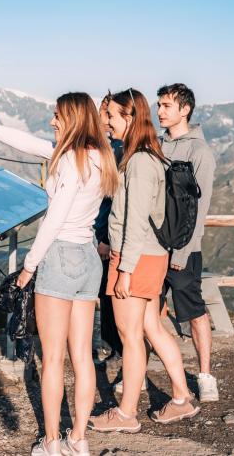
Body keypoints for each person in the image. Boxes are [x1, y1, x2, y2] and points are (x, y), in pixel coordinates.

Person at [0, 93, 118, 456]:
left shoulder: (69, 162)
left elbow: (54, 220)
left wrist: (28, 267)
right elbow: (27, 144)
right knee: (82, 356)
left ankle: (52, 442)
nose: (52, 122)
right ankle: (79, 440)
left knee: (52, 358)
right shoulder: (100, 156)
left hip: (60, 257)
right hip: (88, 257)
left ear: (71, 118)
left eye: (56, 116)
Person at [88, 88, 199, 434]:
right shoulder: (150, 156)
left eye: (111, 116)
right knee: (151, 327)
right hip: (152, 256)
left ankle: (126, 413)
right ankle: (181, 398)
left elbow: (134, 221)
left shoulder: (137, 162)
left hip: (134, 258)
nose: (105, 122)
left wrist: (124, 270)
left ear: (130, 118)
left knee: (130, 335)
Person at [156, 83, 218, 402]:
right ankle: (135, 371)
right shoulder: (156, 146)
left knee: (194, 312)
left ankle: (206, 376)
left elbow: (200, 207)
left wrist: (182, 251)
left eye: (167, 106)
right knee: (147, 311)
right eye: (159, 105)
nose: (160, 111)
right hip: (154, 248)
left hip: (183, 251)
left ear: (185, 110)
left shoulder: (199, 152)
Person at [93, 94, 124, 361]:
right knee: (106, 291)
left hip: (108, 235)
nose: (103, 119)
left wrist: (104, 237)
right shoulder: (110, 146)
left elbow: (112, 200)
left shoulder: (117, 149)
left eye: (106, 113)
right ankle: (112, 345)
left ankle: (115, 346)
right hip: (105, 231)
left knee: (109, 291)